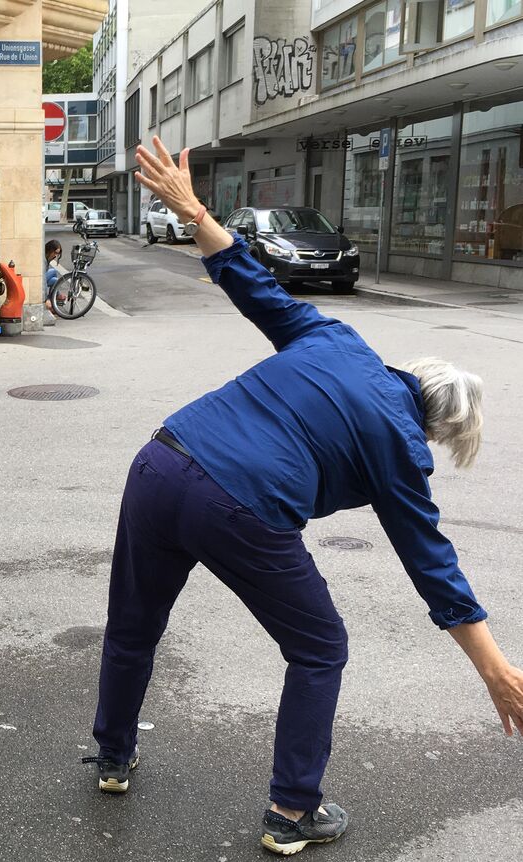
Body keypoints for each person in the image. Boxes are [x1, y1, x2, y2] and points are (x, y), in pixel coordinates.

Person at [84, 137, 523, 856]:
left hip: (161, 460)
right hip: (238, 505)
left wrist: (192, 208)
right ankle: (292, 812)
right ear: (440, 427)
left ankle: (112, 757)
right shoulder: (403, 449)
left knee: (133, 625)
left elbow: (253, 285)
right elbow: (431, 564)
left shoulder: (339, 340)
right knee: (320, 647)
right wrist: (496, 668)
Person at [44, 239, 62, 321]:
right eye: (55, 253)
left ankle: (54, 298)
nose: (56, 256)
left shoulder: (48, 258)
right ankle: (54, 297)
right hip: (41, 278)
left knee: (55, 280)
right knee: (54, 271)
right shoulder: (43, 260)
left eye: (58, 254)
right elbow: (42, 282)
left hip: (44, 277)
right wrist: (45, 299)